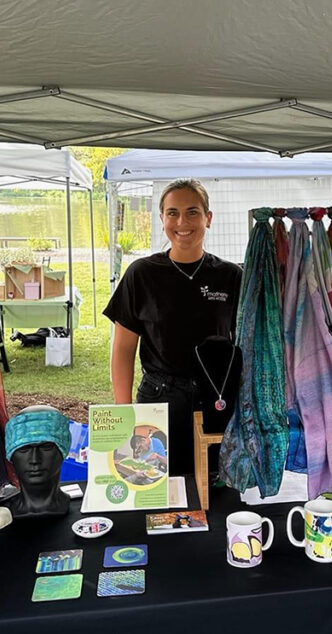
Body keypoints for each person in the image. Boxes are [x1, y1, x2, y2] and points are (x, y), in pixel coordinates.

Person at [104, 179, 243, 475]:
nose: (182, 222)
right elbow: (123, 349)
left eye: (192, 212)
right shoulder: (141, 274)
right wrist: (122, 411)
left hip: (216, 400)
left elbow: (244, 344)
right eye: (172, 213)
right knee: (156, 486)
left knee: (213, 487)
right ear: (162, 219)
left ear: (208, 218)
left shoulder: (230, 276)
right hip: (159, 399)